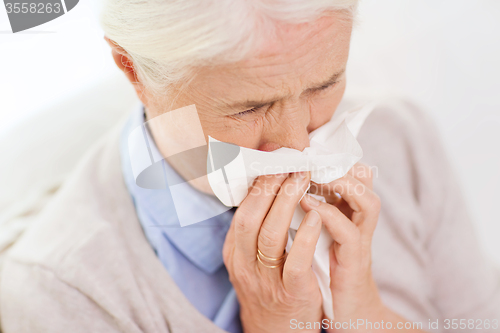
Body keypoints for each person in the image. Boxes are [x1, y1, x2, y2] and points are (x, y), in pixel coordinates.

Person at [1, 1, 499, 332]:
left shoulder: (399, 137)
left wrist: (366, 315)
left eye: (324, 84)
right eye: (249, 109)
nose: (295, 141)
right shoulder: (55, 299)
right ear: (133, 70)